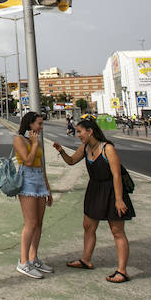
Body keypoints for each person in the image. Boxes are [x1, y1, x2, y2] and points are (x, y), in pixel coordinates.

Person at [53, 118, 135, 283]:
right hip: (94, 190)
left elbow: (116, 175)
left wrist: (119, 199)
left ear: (90, 131)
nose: (78, 135)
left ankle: (122, 271)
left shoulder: (107, 148)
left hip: (112, 190)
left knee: (117, 231)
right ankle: (86, 260)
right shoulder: (85, 147)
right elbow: (71, 161)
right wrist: (61, 151)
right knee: (88, 227)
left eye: (80, 132)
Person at [12, 111, 54, 279]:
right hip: (27, 179)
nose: (41, 127)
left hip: (39, 179)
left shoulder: (35, 141)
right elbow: (28, 161)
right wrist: (35, 143)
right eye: (39, 124)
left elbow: (40, 165)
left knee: (39, 223)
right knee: (30, 222)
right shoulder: (19, 140)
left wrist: (48, 189)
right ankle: (23, 262)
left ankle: (33, 258)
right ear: (30, 124)